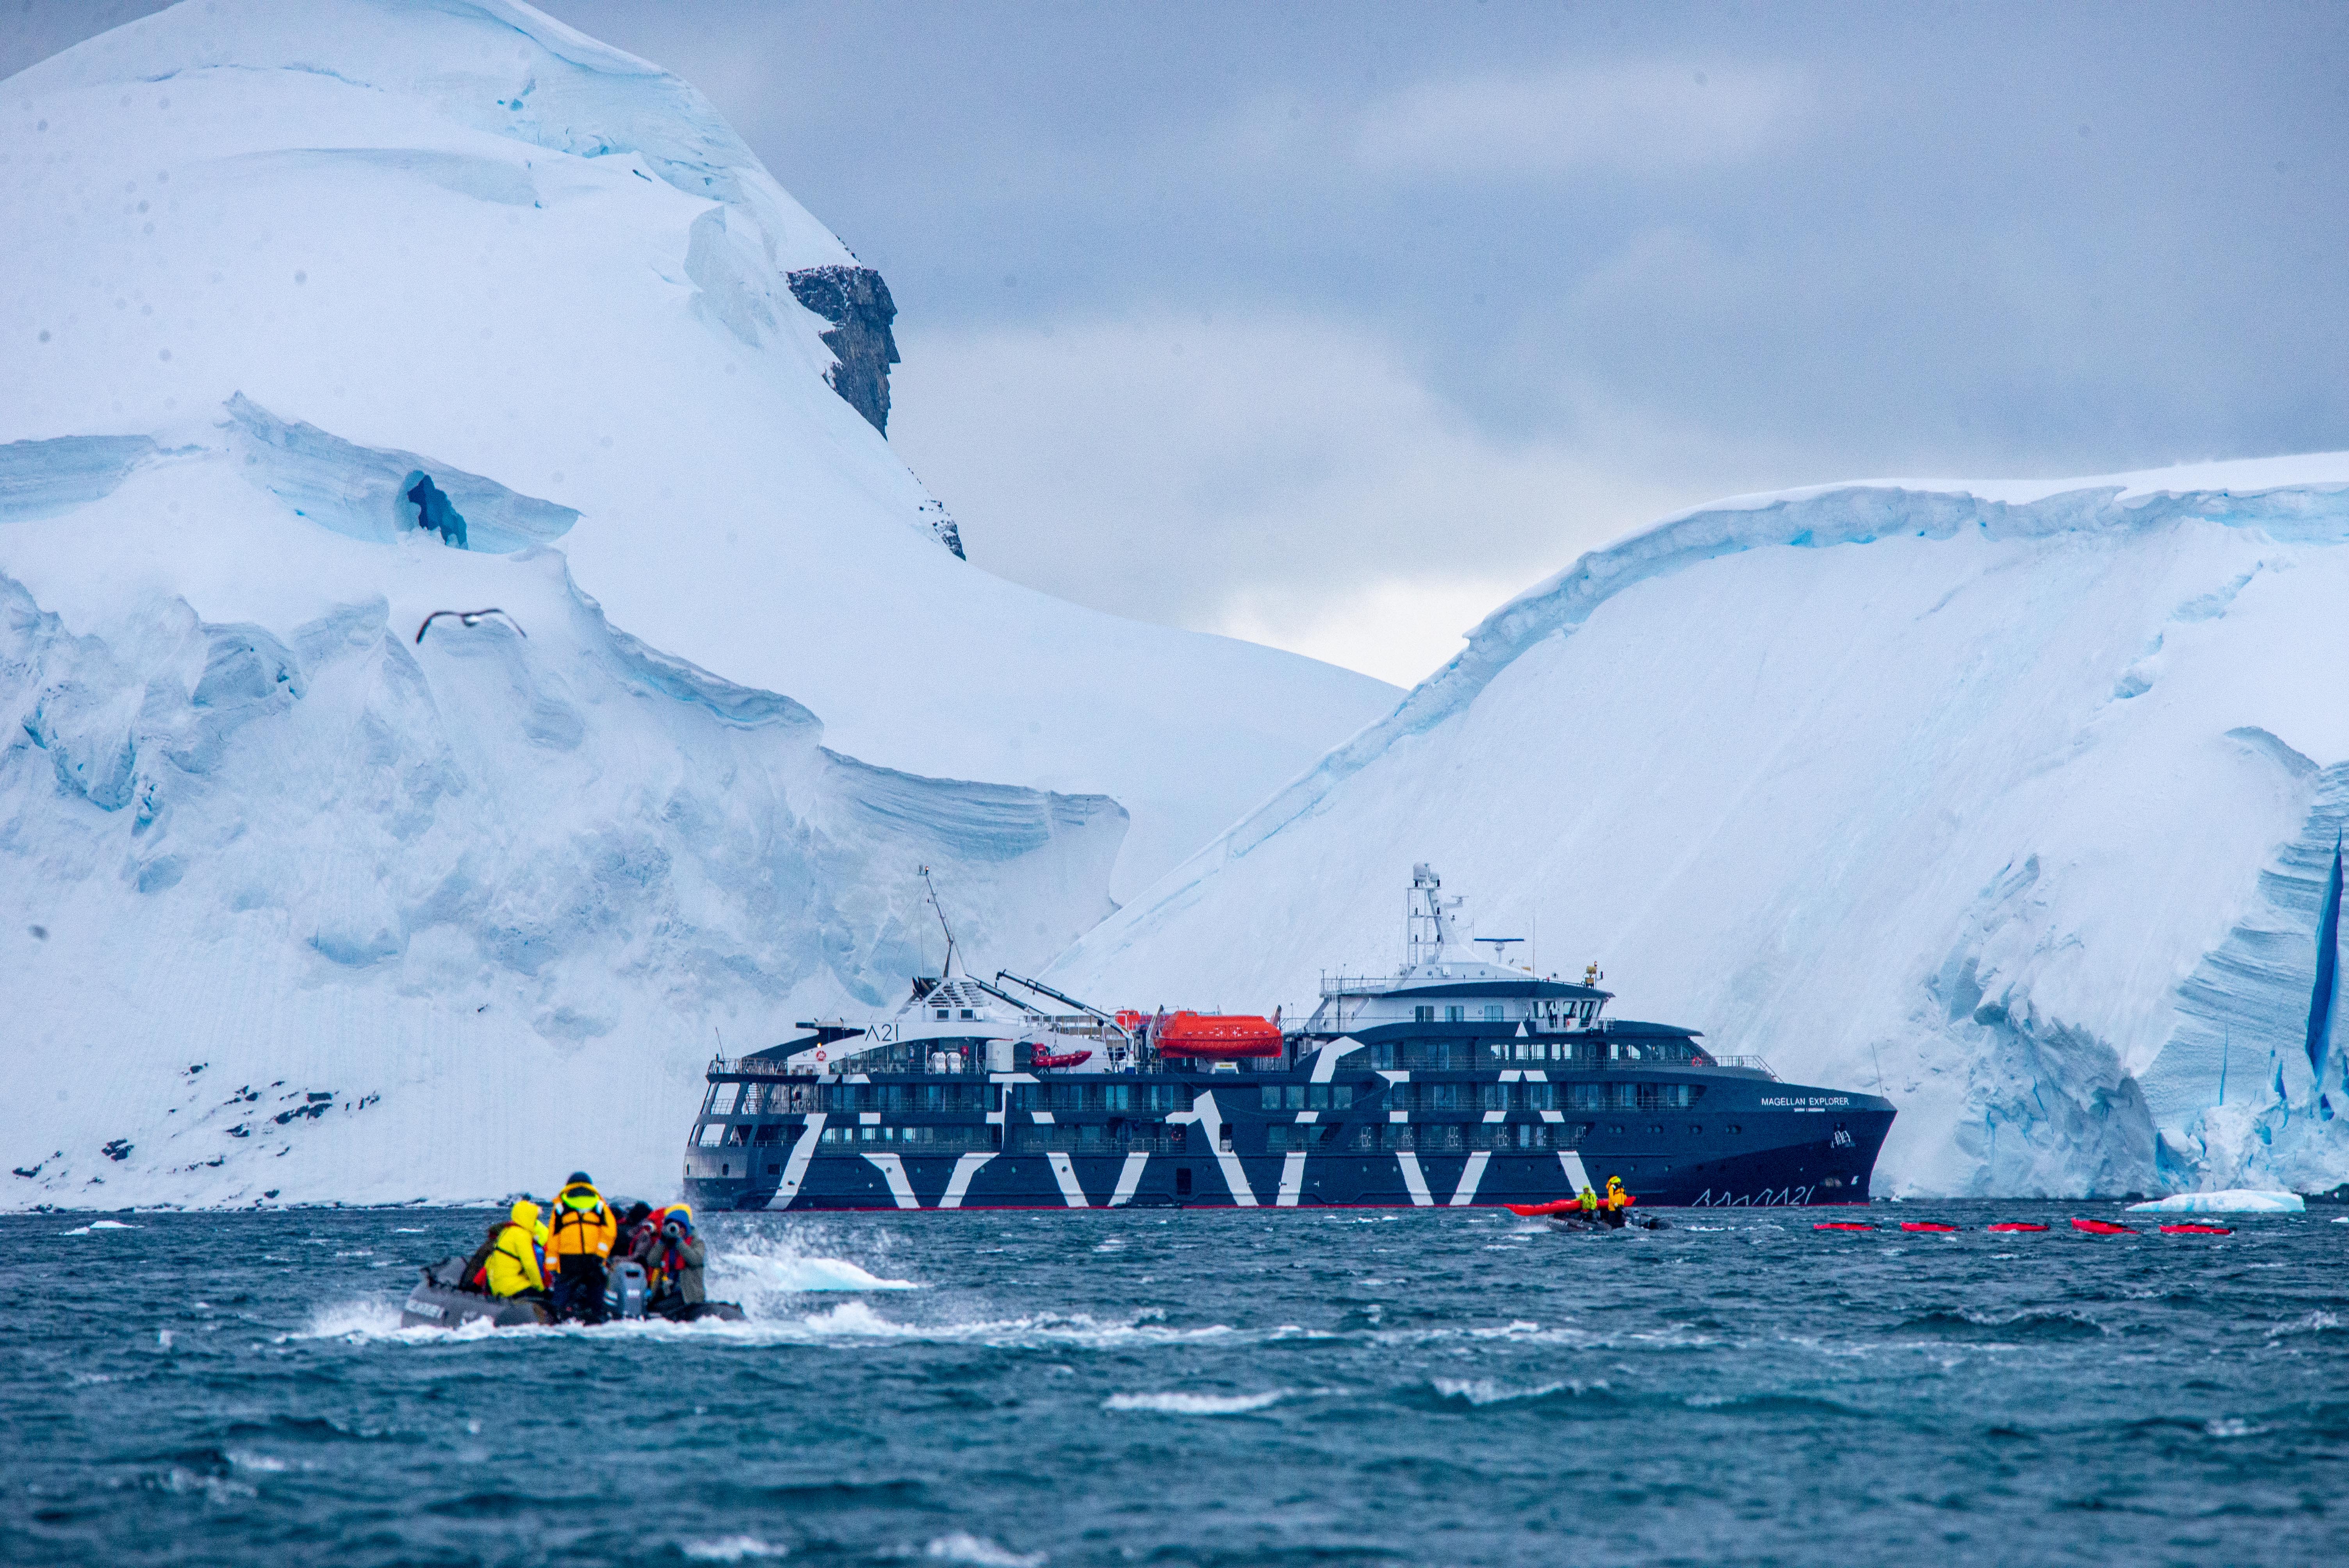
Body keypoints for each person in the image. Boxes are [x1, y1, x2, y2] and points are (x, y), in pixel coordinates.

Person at [545, 1171, 617, 1324]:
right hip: (593, 1257)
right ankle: (597, 1320)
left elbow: (553, 1237)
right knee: (596, 1288)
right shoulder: (599, 1205)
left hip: (568, 1258)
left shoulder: (560, 1206)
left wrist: (552, 1266)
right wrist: (600, 1255)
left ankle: (555, 1320)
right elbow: (610, 1231)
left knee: (562, 1291)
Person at [644, 1205, 706, 1320]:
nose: (675, 1229)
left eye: (679, 1226)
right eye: (670, 1225)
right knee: (650, 1307)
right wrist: (662, 1241)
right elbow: (652, 1261)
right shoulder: (666, 1244)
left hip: (686, 1294)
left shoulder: (697, 1243)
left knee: (657, 1309)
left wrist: (679, 1242)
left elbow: (695, 1260)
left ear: (686, 1227)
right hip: (667, 1291)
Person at [481, 1199, 548, 1299]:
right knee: (549, 1298)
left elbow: (490, 1262)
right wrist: (541, 1288)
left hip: (498, 1287)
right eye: (535, 1217)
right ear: (528, 1217)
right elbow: (530, 1265)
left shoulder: (507, 1231)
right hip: (513, 1288)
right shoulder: (522, 1235)